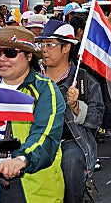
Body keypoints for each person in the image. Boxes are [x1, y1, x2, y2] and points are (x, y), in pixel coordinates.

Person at [0, 26, 65, 202]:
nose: (2, 59)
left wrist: (21, 159)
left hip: (28, 184)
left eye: (11, 52)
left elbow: (46, 133)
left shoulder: (45, 89)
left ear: (29, 56)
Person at [36, 20, 104, 203]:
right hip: (37, 139)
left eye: (50, 45)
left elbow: (97, 119)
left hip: (71, 141)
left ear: (66, 48)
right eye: (42, 44)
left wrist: (76, 106)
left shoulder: (84, 80)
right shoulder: (33, 77)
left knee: (71, 161)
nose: (44, 49)